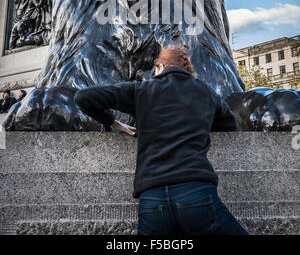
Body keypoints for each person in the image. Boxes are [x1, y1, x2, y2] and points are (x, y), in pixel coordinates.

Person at [75, 46, 248, 235]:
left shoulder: (142, 89)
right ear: (188, 69)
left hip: (152, 198)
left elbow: (84, 97)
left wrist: (114, 123)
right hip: (196, 192)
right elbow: (229, 124)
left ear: (160, 66)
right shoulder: (204, 91)